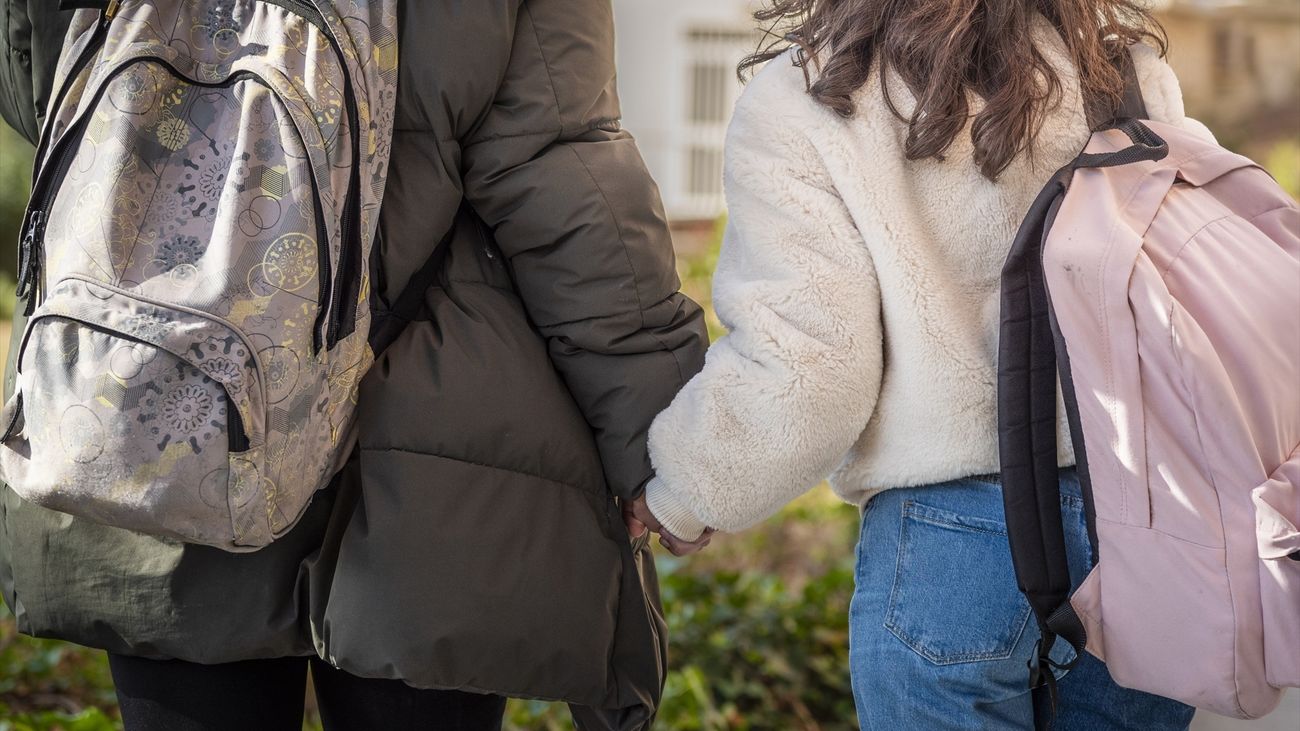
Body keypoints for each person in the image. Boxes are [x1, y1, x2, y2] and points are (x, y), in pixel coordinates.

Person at [0, 2, 707, 730]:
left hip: (177, 393)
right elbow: (560, 167)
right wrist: (661, 429)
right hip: (432, 440)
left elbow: (49, 89)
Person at [624, 0, 1212, 728]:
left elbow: (811, 374)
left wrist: (684, 489)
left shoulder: (812, 98)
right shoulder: (1121, 75)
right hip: (1142, 528)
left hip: (950, 543)